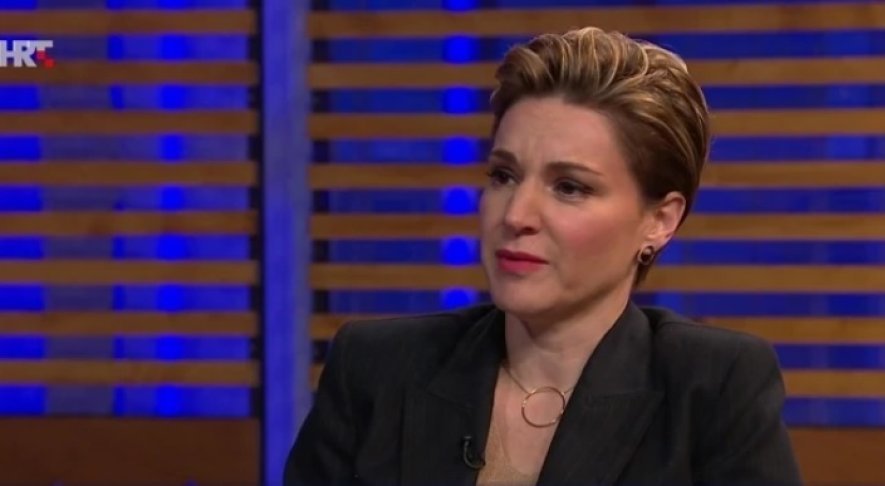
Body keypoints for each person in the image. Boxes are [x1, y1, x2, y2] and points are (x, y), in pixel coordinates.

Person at [285, 27, 802, 486]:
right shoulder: (376, 369)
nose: (516, 215)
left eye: (569, 187)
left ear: (659, 221)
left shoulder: (711, 387)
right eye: (503, 176)